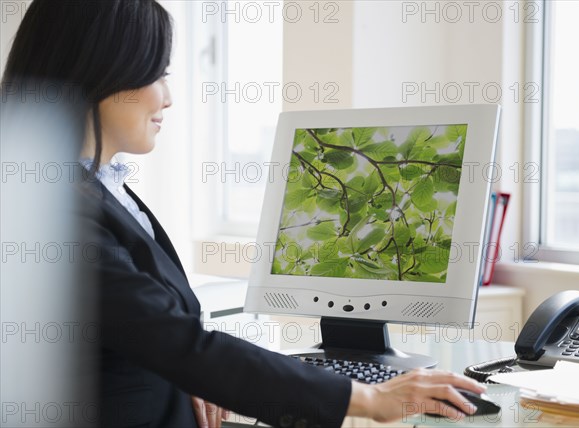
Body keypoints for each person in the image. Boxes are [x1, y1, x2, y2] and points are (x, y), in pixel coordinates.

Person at [0, 1, 486, 427]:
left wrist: (183, 374)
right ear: (99, 72)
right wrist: (371, 398)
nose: (167, 96)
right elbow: (174, 339)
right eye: (156, 72)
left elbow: (149, 336)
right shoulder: (50, 211)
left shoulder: (95, 189)